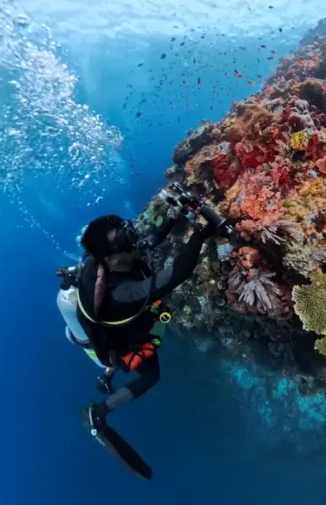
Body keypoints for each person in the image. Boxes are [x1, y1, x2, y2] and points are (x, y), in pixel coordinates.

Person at [66, 202, 222, 480]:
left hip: (117, 320)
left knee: (158, 314)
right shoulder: (121, 293)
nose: (134, 241)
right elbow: (177, 273)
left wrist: (175, 216)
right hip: (122, 341)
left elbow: (148, 242)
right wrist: (200, 232)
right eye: (125, 241)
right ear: (112, 259)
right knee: (151, 375)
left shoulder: (104, 261)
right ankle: (100, 413)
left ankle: (109, 377)